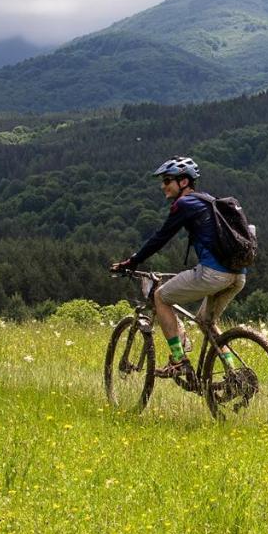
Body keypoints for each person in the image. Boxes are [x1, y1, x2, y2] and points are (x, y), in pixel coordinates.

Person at [110, 156, 246, 378]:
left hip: (213, 274)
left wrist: (132, 262)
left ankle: (178, 360)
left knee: (161, 297)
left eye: (167, 180)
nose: (163, 185)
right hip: (238, 275)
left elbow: (160, 238)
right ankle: (234, 374)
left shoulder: (184, 204)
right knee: (206, 322)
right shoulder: (209, 201)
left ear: (184, 182)